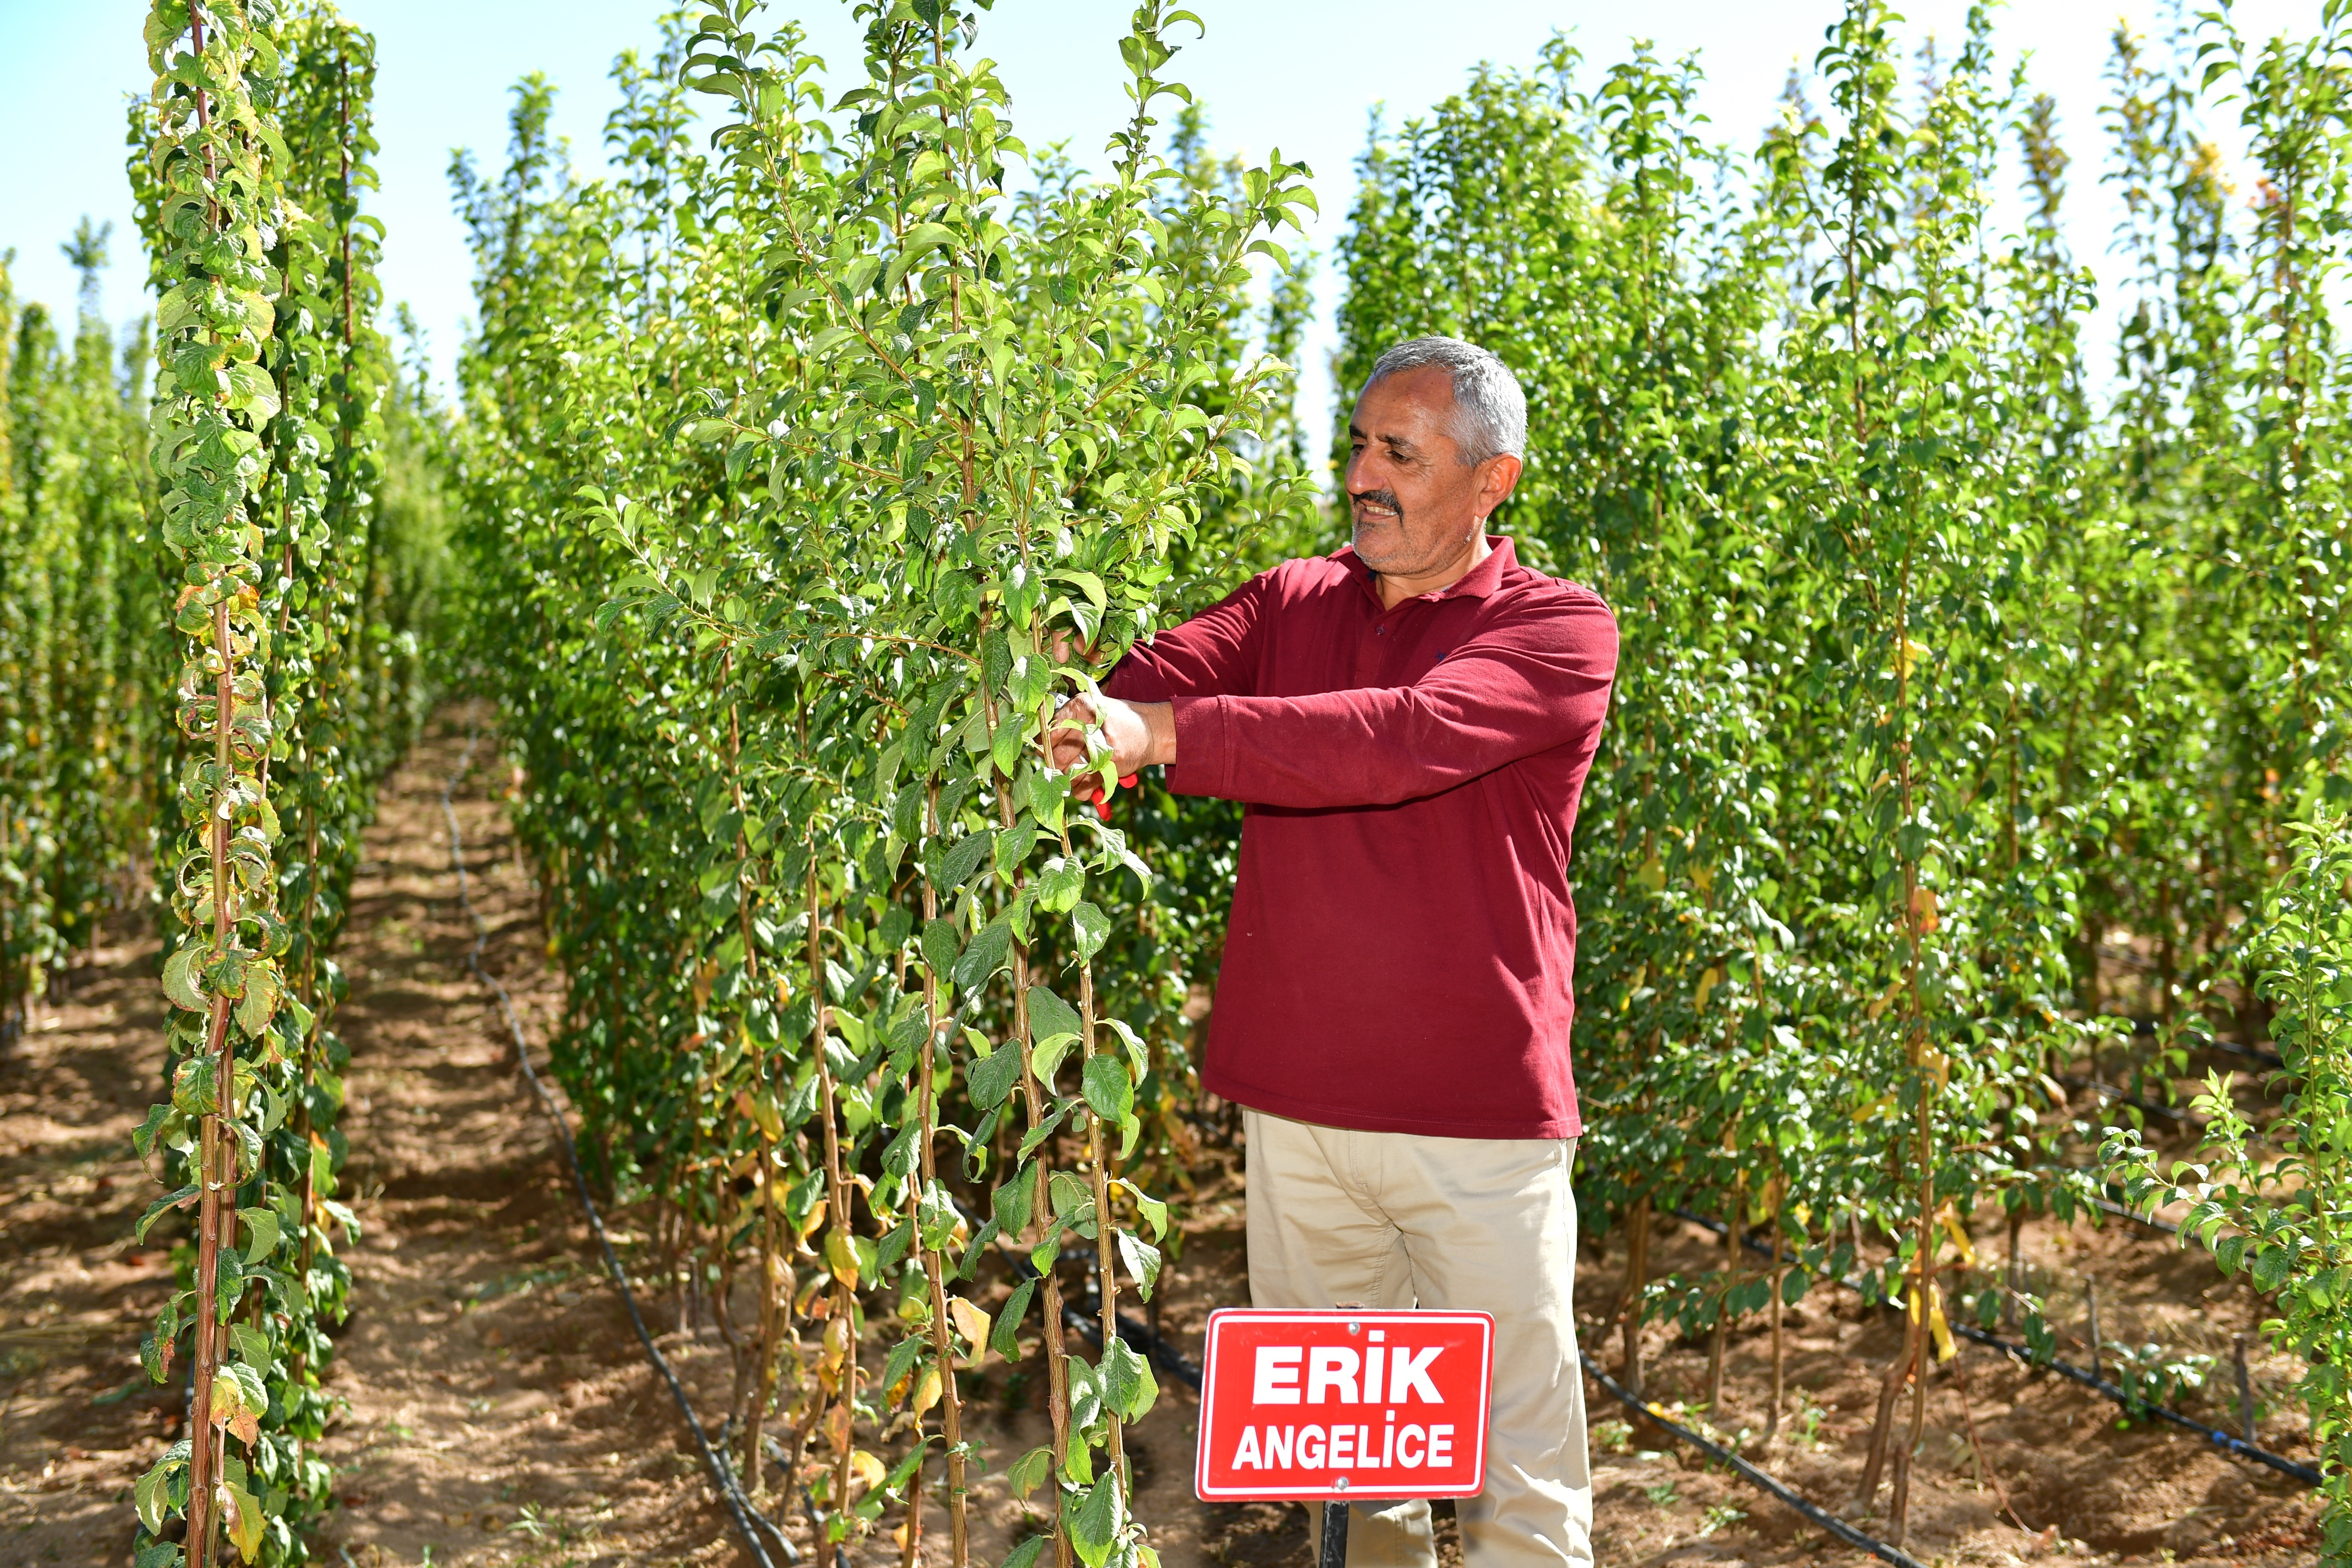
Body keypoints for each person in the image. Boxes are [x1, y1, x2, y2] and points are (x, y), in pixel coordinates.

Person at [1049, 336, 1617, 1568]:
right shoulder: (1291, 600)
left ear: (1491, 481)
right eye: (1358, 443)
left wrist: (1151, 735)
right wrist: (1066, 701)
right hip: (1300, 1119)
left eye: (1399, 454)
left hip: (1480, 1123)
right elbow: (1148, 682)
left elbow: (1393, 741)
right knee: (1354, 1485)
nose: (1364, 473)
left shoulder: (1561, 631)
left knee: (1520, 1475)